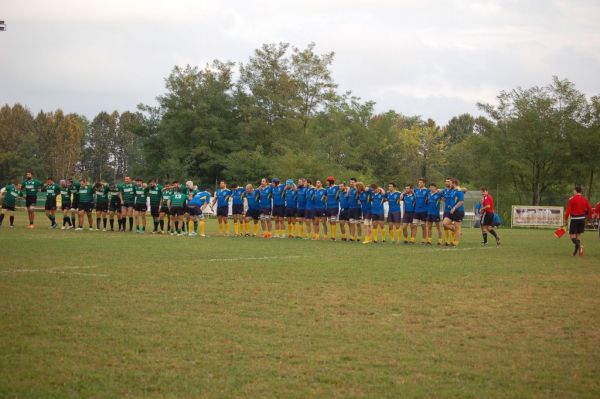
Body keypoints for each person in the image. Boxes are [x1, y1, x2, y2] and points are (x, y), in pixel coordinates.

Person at [564, 185, 592, 256]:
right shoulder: (585, 199)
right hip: (582, 219)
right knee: (578, 236)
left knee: (572, 236)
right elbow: (590, 209)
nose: (573, 192)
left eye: (574, 190)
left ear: (576, 191)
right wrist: (588, 219)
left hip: (574, 219)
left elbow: (568, 211)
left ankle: (580, 246)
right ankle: (575, 253)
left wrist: (565, 219)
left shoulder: (572, 199)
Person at [442, 178, 465, 247]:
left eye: (450, 183)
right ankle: (458, 232)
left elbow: (461, 201)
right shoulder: (452, 190)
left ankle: (455, 242)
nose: (449, 184)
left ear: (454, 183)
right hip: (451, 211)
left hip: (458, 211)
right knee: (444, 223)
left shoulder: (459, 190)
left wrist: (454, 208)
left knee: (457, 227)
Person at [413, 178, 429, 244]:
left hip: (424, 211)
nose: (419, 184)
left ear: (424, 183)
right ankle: (412, 240)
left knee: (423, 226)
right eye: (419, 182)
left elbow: (436, 191)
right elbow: (408, 191)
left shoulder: (427, 190)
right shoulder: (416, 190)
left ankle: (424, 240)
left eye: (421, 182)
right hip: (416, 210)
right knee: (414, 225)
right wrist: (403, 193)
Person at [325, 176, 340, 241]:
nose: (326, 182)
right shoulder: (327, 188)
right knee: (330, 221)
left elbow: (345, 188)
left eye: (327, 181)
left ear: (330, 181)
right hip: (328, 207)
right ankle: (332, 235)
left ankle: (333, 237)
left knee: (333, 221)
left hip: (334, 206)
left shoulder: (337, 187)